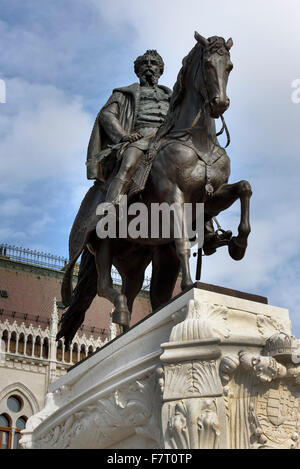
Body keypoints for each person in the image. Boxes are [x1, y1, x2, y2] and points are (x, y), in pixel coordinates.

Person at [86, 49, 172, 206]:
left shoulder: (171, 96)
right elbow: (107, 115)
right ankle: (111, 206)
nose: (148, 66)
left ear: (160, 70)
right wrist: (123, 136)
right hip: (141, 137)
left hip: (169, 137)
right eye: (144, 63)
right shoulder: (123, 94)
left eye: (153, 63)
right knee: (129, 164)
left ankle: (207, 224)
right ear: (138, 70)